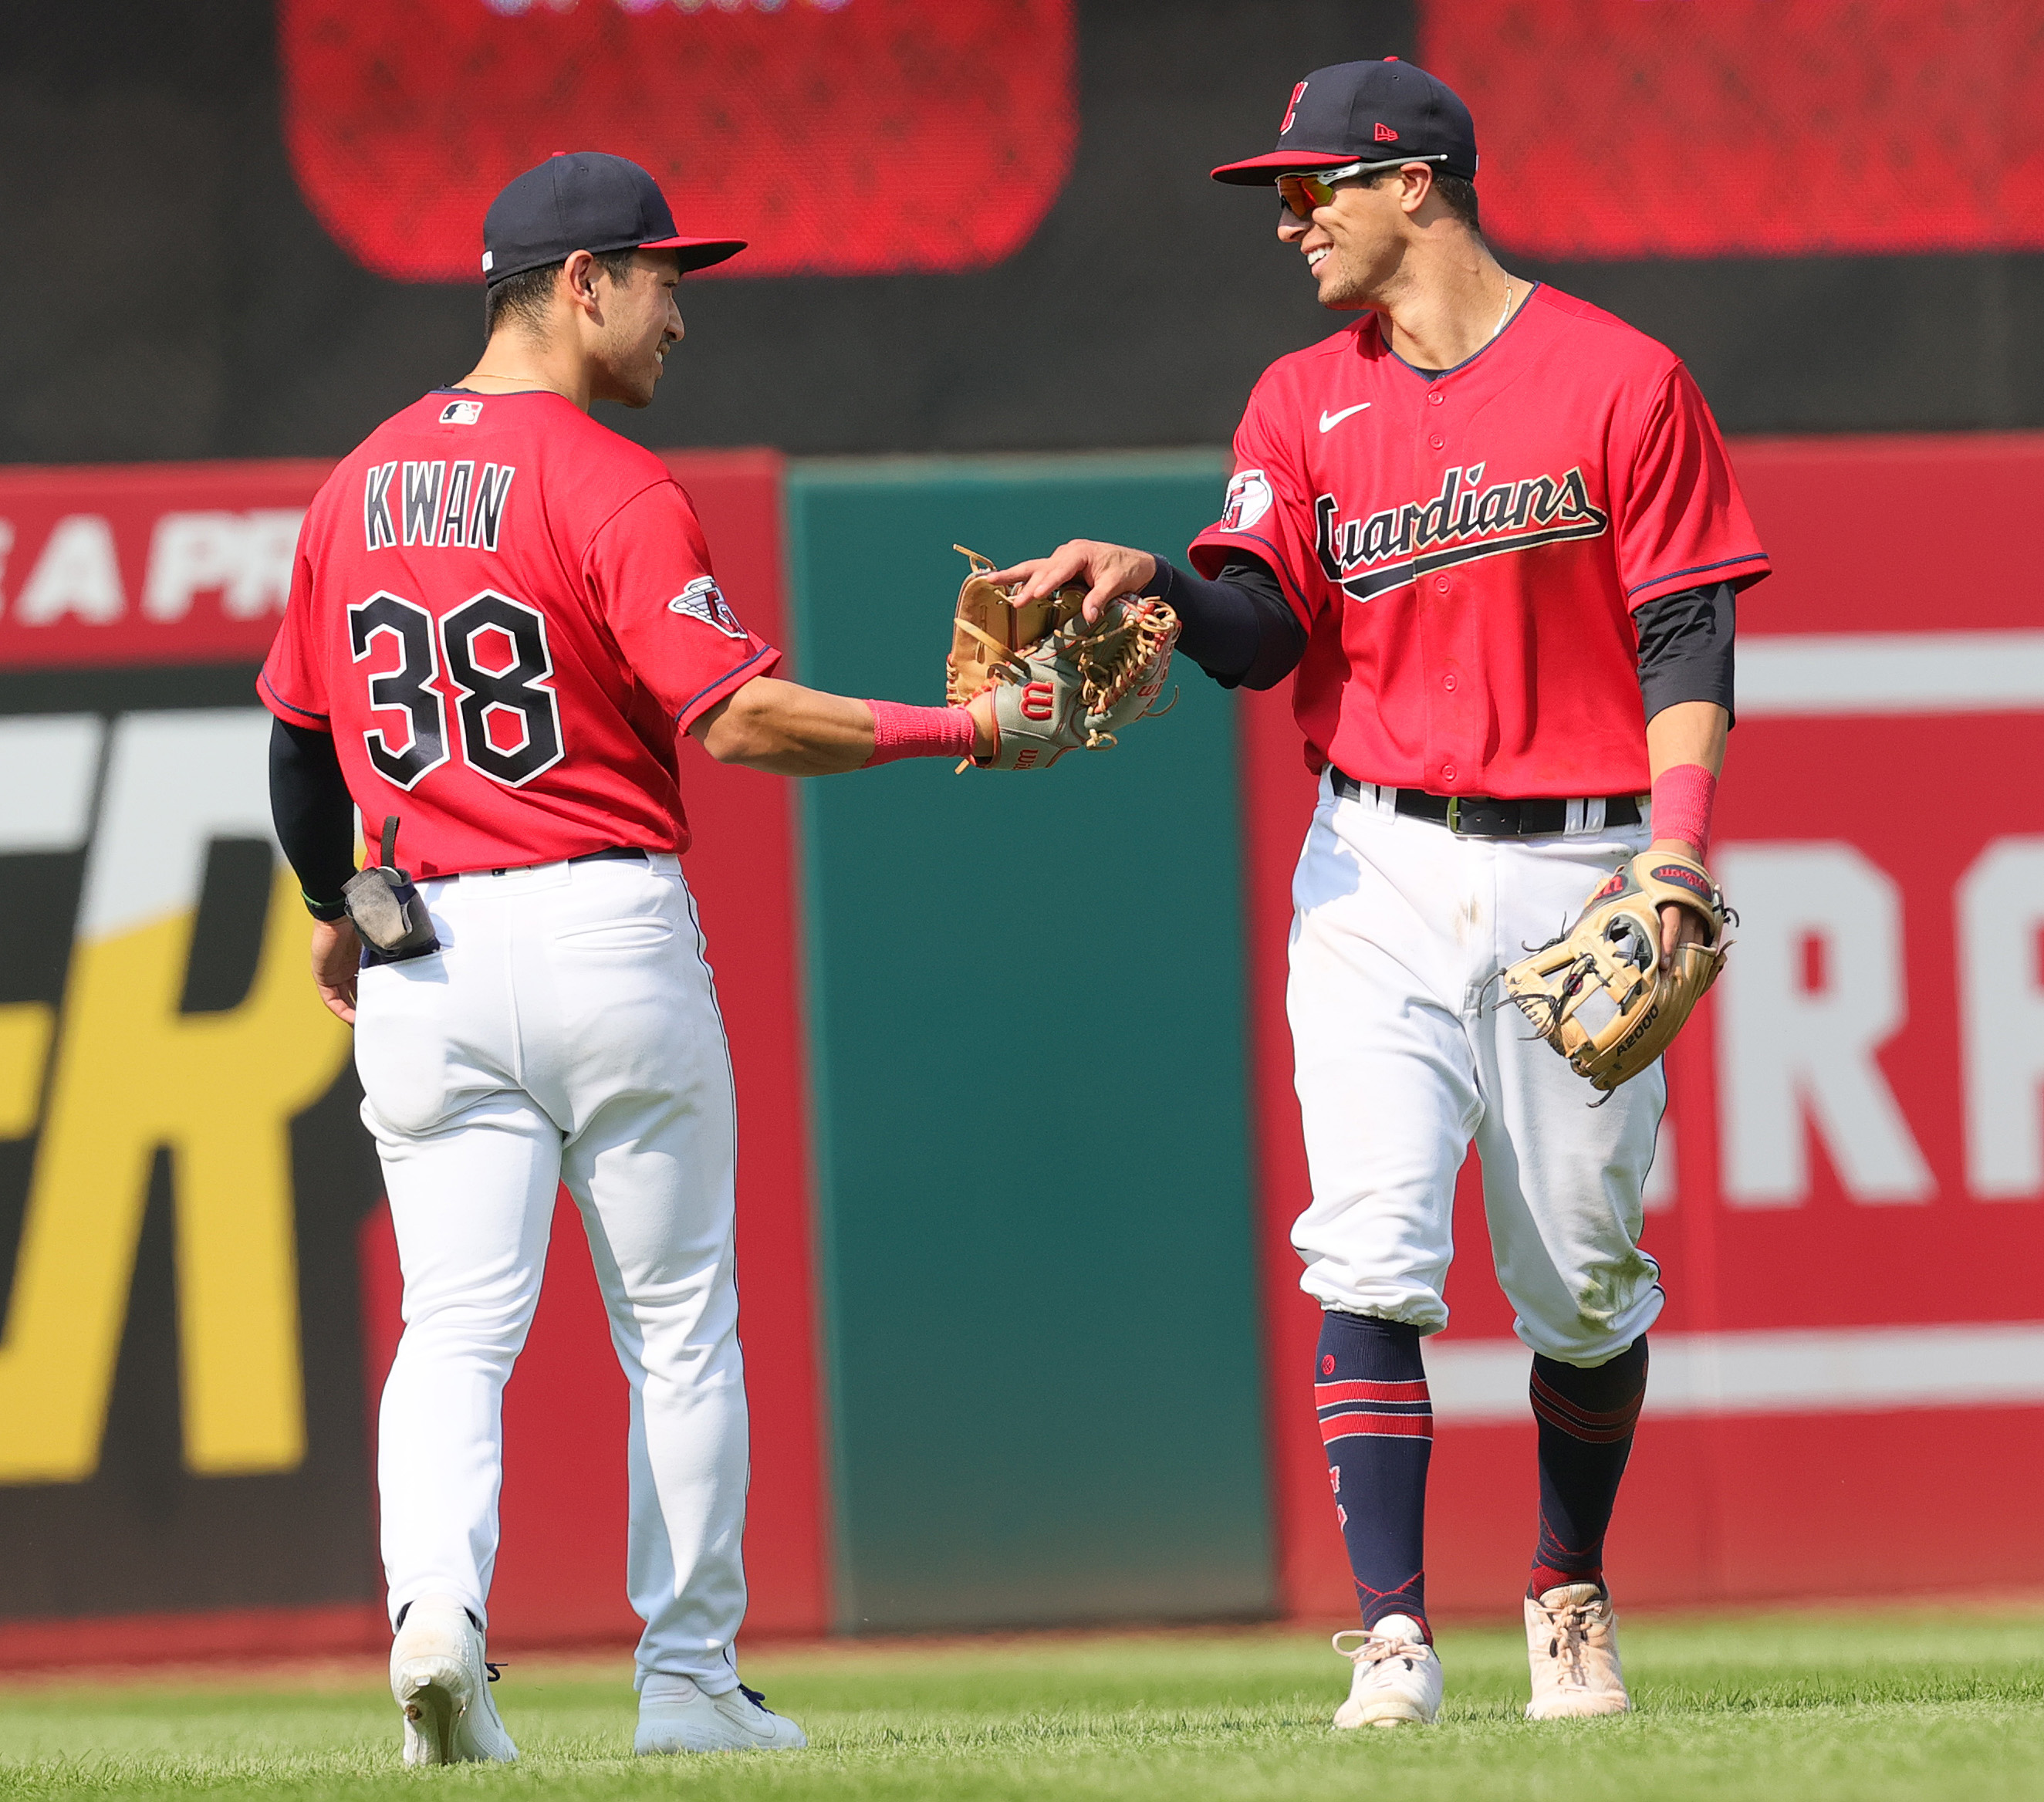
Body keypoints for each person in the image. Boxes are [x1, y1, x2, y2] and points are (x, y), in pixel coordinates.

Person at [987, 59, 1767, 1726]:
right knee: (1368, 1243)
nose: (1288, 219)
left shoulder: (1618, 377)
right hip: (1375, 856)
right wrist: (1157, 582)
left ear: (1414, 181)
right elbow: (1262, 629)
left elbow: (1684, 630)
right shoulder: (1297, 401)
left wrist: (1677, 843)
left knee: (1576, 1274)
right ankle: (1392, 1633)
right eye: (1280, 192)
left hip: (1580, 853)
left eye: (1310, 186)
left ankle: (1562, 1586)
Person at [261, 151, 996, 1763]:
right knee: (675, 1323)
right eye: (665, 279)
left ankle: (435, 1623)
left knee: (452, 1324)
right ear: (580, 284)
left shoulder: (354, 481)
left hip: (427, 950)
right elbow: (734, 714)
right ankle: (685, 1680)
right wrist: (966, 727)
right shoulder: (606, 480)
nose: (681, 312)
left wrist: (336, 901)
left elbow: (301, 754)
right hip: (598, 925)